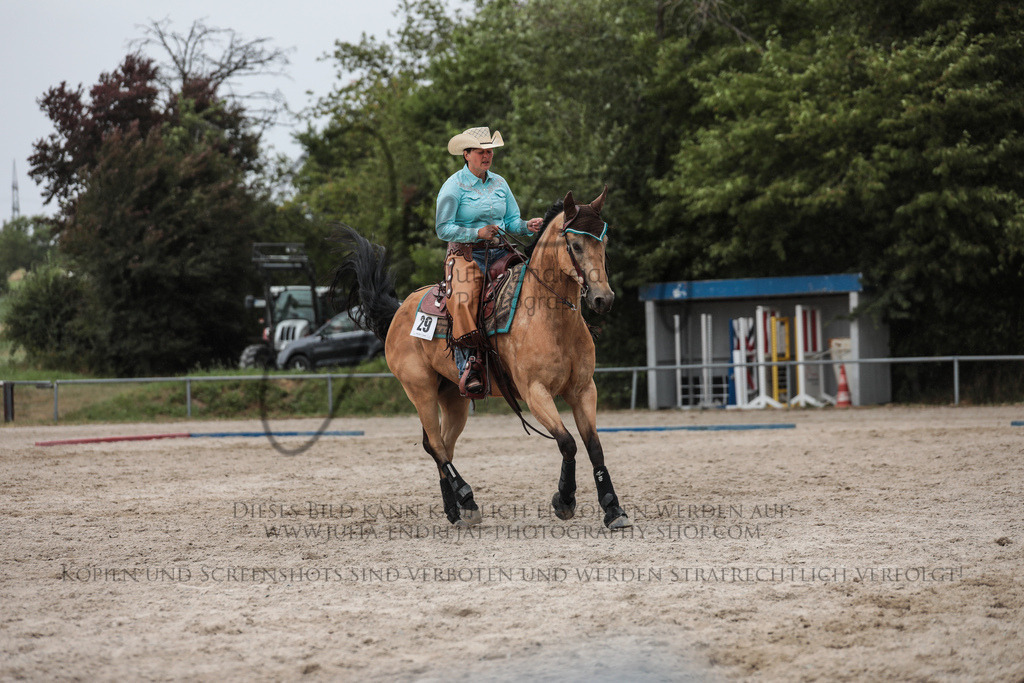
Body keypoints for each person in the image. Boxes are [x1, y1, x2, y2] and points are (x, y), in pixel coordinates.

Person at [436, 126, 543, 396]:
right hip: (465, 255)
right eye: (481, 152)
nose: (487, 156)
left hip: (500, 251)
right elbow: (443, 228)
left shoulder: (500, 183)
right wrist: (476, 233)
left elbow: (511, 222)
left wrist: (527, 226)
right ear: (467, 154)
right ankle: (468, 366)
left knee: (534, 283)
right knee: (462, 300)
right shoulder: (452, 188)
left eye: (490, 151)